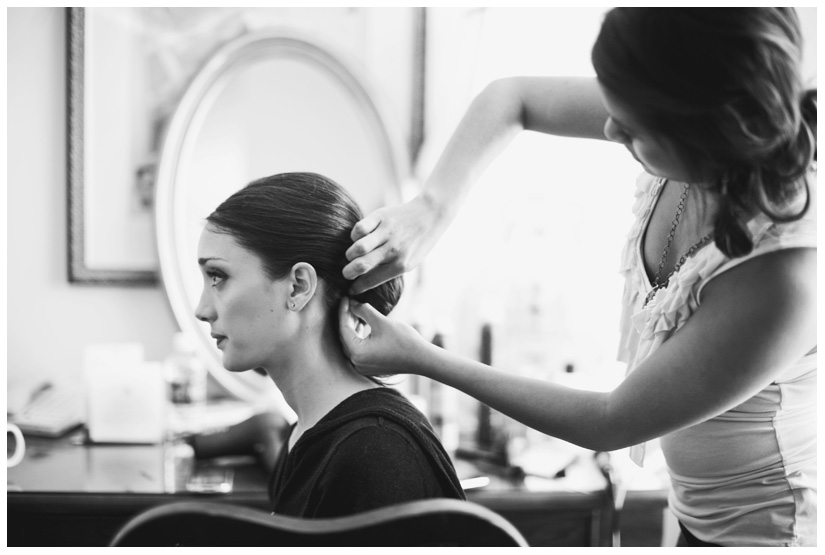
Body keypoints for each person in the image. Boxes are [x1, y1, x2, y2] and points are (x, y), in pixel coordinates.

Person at [338, 8, 816, 547]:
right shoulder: (680, 122)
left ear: (707, 132)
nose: (610, 129)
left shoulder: (787, 276)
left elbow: (613, 421)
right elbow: (511, 97)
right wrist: (432, 207)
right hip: (692, 519)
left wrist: (420, 357)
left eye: (631, 129)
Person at [194, 171, 465, 518]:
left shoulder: (374, 454)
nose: (201, 310)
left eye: (218, 277)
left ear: (298, 287)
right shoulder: (306, 435)